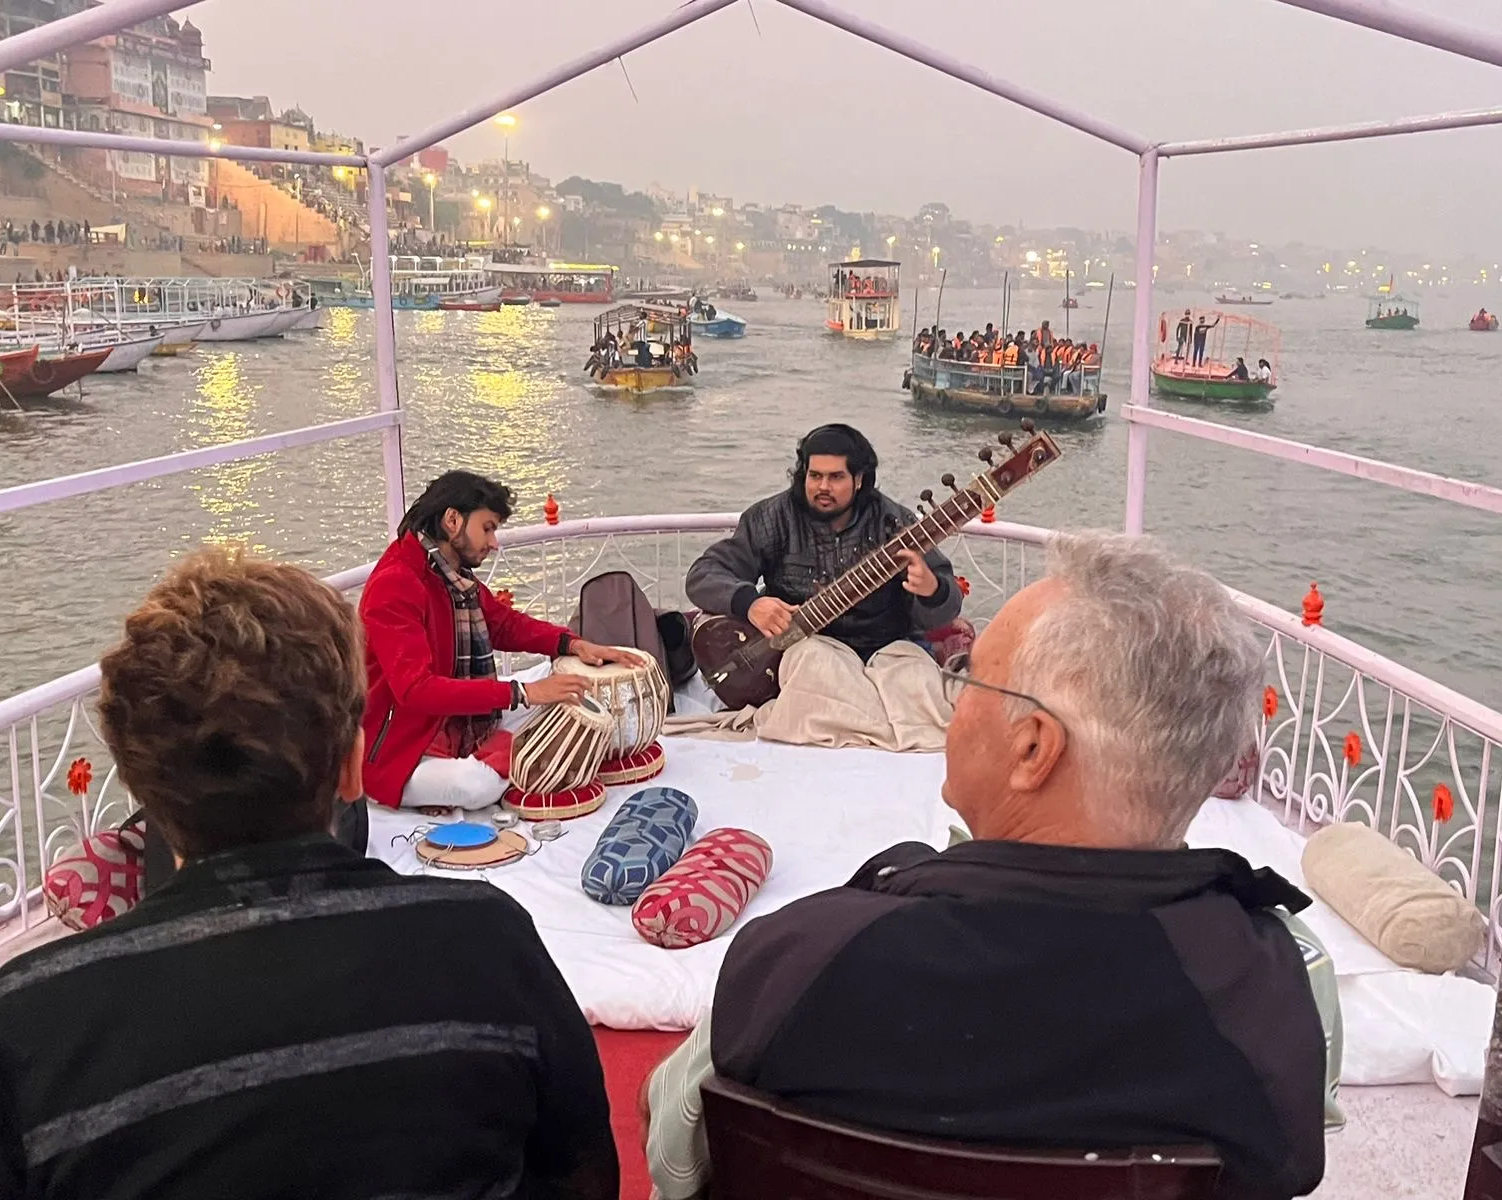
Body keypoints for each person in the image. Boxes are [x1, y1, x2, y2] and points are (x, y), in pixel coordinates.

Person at [647, 532, 1338, 1200]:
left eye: (970, 677)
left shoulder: (803, 957)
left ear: (1034, 749)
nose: (955, 700)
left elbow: (674, 1159)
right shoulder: (1282, 985)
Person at [0, 549, 619, 1200]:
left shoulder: (25, 1023)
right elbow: (585, 1178)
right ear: (352, 767)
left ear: (142, 786)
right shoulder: (486, 942)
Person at [359, 471, 640, 811]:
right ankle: (514, 754)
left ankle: (502, 751)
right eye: (488, 528)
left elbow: (503, 624)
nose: (494, 543)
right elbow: (416, 691)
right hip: (403, 749)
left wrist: (571, 644)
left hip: (456, 723)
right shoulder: (396, 584)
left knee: (570, 693)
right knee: (475, 786)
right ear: (452, 520)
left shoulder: (449, 574)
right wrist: (520, 694)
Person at [685, 424, 961, 665]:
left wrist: (932, 591)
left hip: (885, 648)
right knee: (814, 670)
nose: (823, 487)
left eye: (836, 477)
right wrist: (750, 604)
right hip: (807, 653)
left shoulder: (895, 522)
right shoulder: (774, 518)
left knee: (917, 689)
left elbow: (943, 610)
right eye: (815, 476)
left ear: (859, 480)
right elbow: (703, 575)